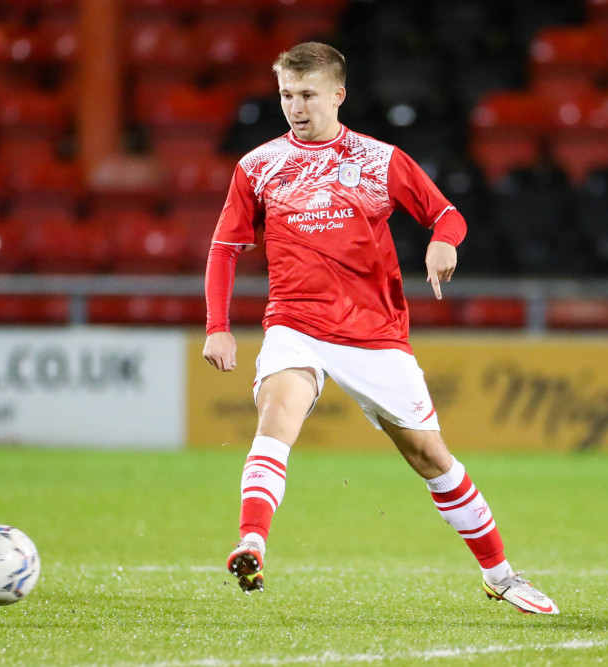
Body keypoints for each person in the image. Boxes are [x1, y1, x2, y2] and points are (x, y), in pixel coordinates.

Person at [202, 42, 559, 615]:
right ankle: (252, 541)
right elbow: (224, 249)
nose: (296, 106)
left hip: (374, 332)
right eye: (287, 95)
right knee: (277, 417)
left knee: (430, 457)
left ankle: (501, 574)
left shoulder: (378, 159)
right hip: (294, 322)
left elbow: (447, 213)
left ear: (338, 95)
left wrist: (444, 242)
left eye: (308, 95)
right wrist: (218, 326)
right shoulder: (258, 166)